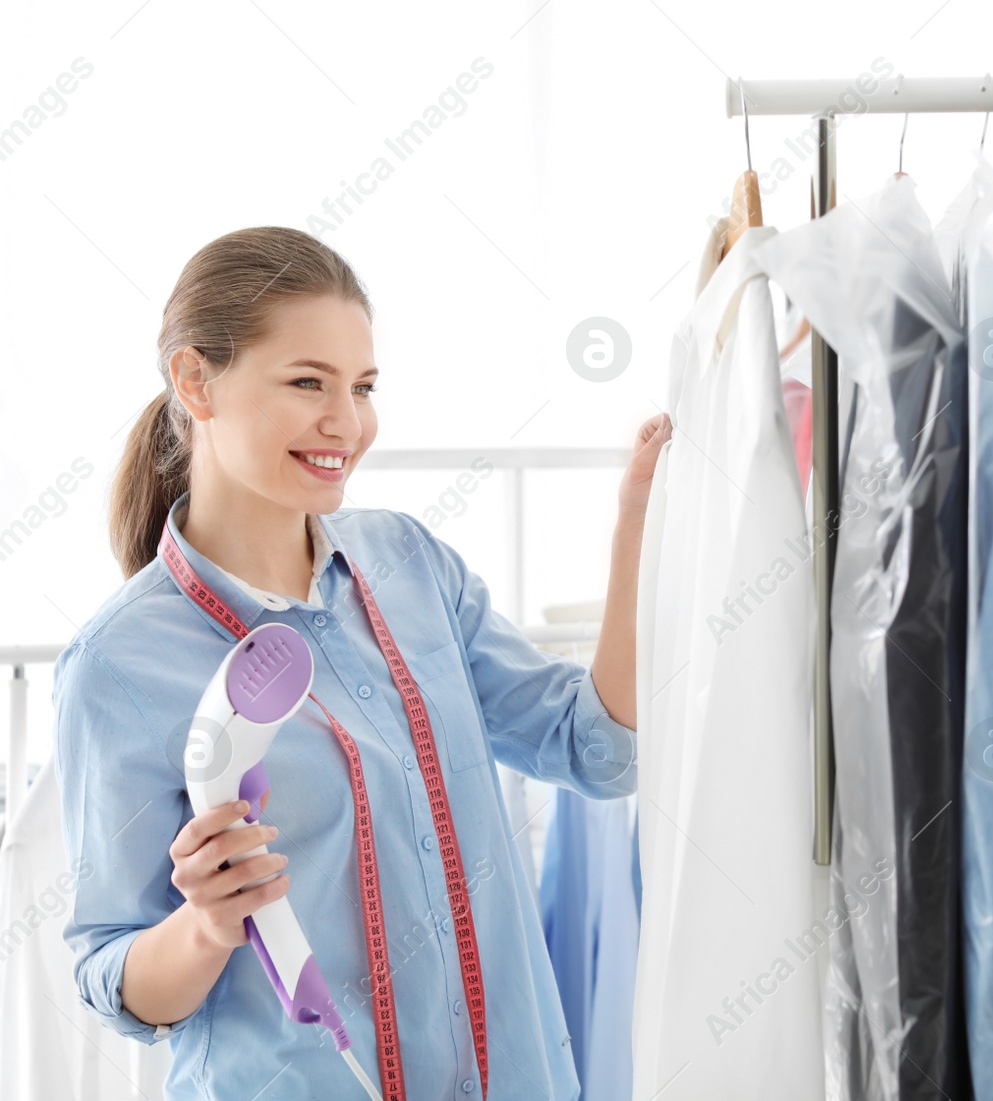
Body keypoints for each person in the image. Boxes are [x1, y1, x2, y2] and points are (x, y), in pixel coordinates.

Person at [51, 226, 669, 1100]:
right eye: (309, 382)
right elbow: (113, 979)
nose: (348, 422)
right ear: (196, 381)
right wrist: (205, 923)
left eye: (364, 387)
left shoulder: (411, 566)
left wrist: (636, 525)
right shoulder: (118, 664)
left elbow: (599, 751)